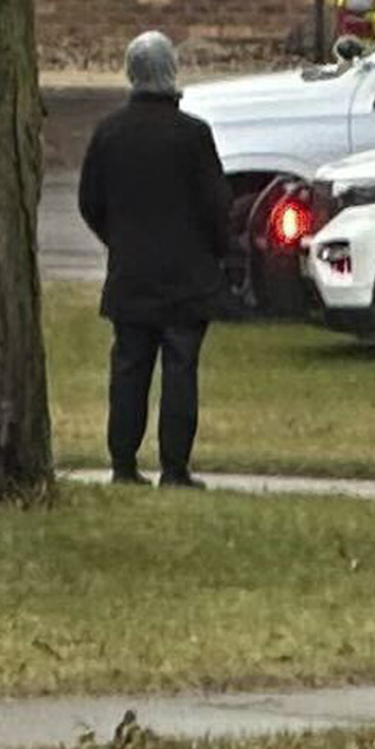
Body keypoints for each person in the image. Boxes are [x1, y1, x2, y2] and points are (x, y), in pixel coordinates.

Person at [78, 30, 240, 486]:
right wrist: (221, 256)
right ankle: (175, 467)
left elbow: (90, 201)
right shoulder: (192, 136)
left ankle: (123, 464)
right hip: (187, 276)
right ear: (171, 71)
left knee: (128, 368)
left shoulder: (109, 132)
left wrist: (119, 240)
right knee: (180, 369)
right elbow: (217, 205)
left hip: (130, 273)